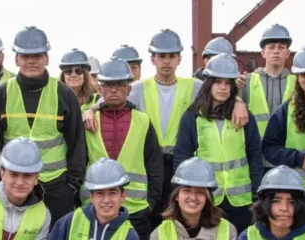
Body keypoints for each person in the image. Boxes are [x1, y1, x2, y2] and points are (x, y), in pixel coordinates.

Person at [86, 29, 248, 220]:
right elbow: (113, 98)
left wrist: (238, 102)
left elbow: (219, 93)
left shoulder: (194, 86)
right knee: (155, 218)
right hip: (151, 163)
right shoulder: (139, 88)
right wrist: (91, 109)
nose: (166, 61)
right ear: (152, 59)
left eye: (172, 56)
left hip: (179, 164)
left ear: (179, 59)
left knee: (177, 218)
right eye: (161, 56)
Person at [80, 58, 163, 240]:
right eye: (107, 85)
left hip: (136, 207)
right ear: (99, 88)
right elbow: (79, 159)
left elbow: (154, 163)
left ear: (129, 88)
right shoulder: (88, 117)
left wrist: (152, 199)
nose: (113, 90)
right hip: (95, 208)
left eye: (119, 85)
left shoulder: (142, 121)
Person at [0, 26, 86, 225]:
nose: (31, 61)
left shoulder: (65, 95)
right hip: (14, 187)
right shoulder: (2, 94)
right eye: (25, 56)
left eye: (38, 55)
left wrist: (71, 188)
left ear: (47, 58)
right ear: (16, 60)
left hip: (56, 188)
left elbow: (77, 145)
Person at [173, 54, 263, 234]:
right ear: (208, 84)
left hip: (241, 201)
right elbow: (182, 158)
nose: (223, 88)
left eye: (228, 83)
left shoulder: (244, 116)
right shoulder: (192, 117)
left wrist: (256, 192)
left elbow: (254, 155)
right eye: (218, 82)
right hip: (207, 198)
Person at [262, 45, 305, 232]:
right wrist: (299, 158)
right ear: (298, 78)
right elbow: (269, 147)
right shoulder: (287, 110)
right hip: (297, 194)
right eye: (304, 74)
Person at [241, 24, 296, 139]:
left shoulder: (297, 83)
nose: (276, 51)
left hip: (286, 150)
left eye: (281, 47)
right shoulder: (246, 81)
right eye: (271, 47)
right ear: (263, 53)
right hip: (257, 151)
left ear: (287, 54)